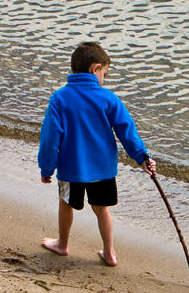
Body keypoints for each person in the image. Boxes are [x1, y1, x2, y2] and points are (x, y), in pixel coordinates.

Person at [37, 41, 156, 267]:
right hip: (102, 168)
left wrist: (46, 167)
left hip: (72, 169)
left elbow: (50, 137)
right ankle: (109, 253)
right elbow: (126, 131)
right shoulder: (109, 98)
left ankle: (62, 244)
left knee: (65, 203)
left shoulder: (60, 99)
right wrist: (142, 157)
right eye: (105, 74)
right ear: (95, 68)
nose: (104, 79)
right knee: (102, 209)